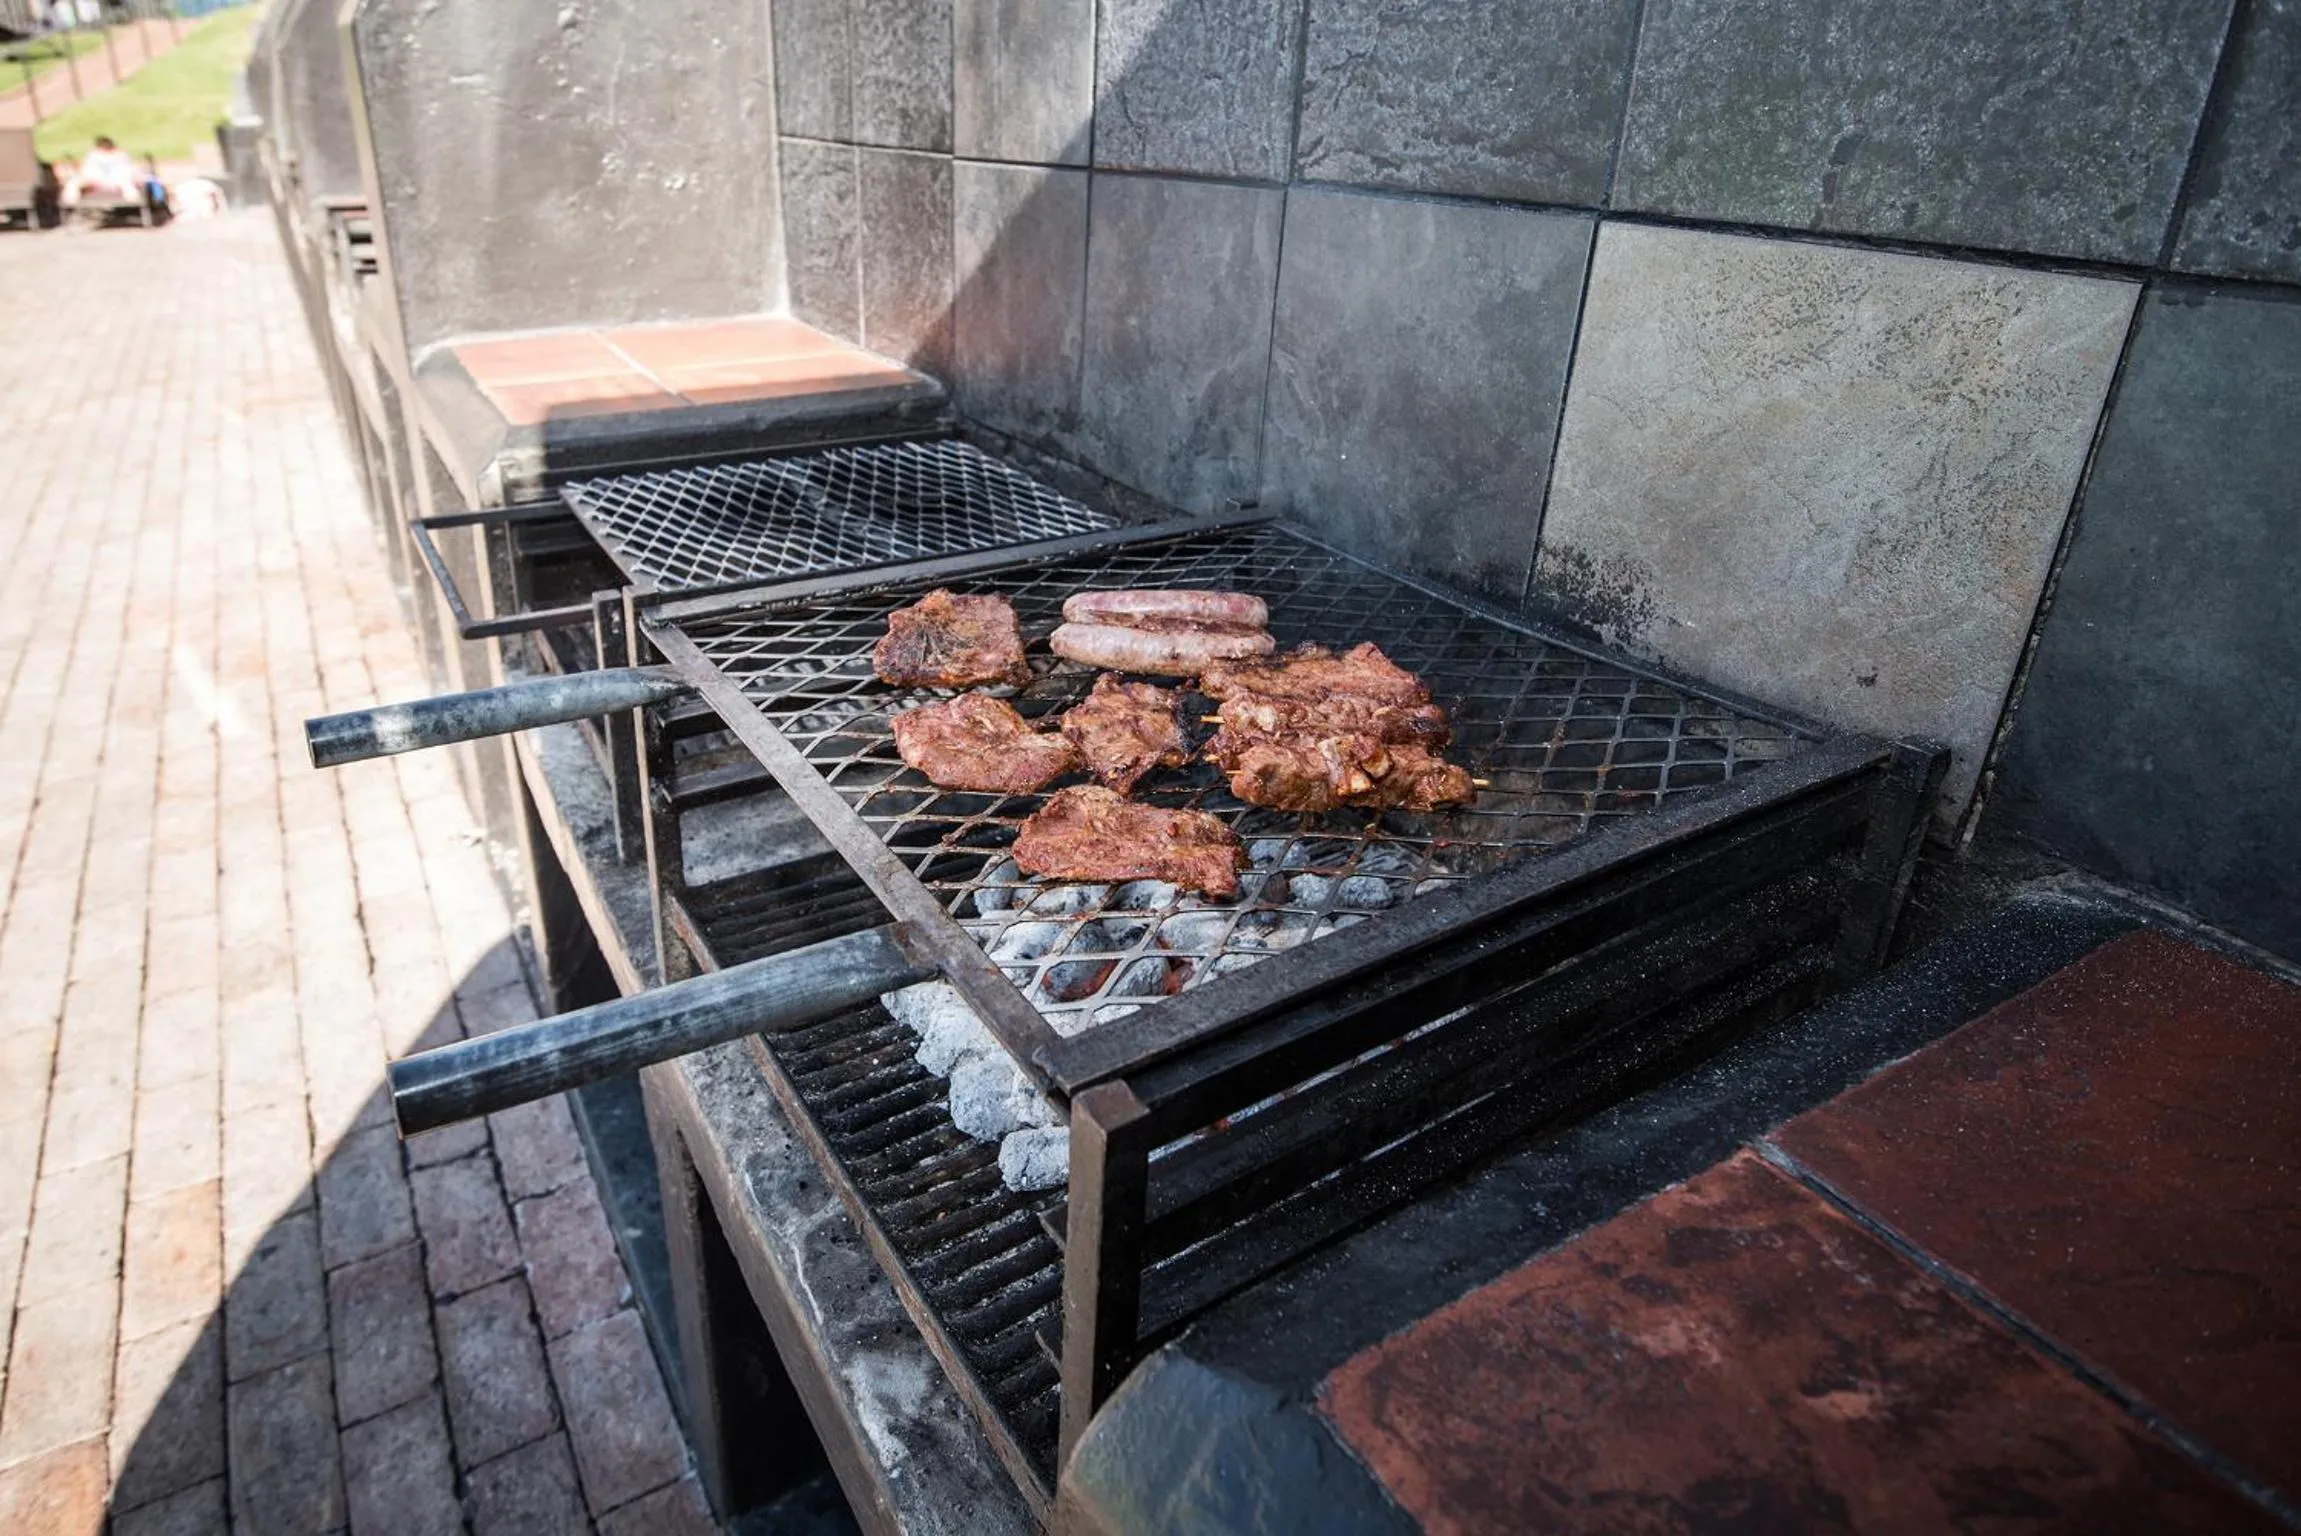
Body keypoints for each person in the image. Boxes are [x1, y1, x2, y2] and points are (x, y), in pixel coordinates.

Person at [64, 136, 139, 205]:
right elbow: (87, 171)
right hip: (95, 180)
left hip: (116, 181)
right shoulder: (93, 154)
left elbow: (127, 171)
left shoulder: (120, 154)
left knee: (127, 184)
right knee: (73, 183)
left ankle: (133, 203)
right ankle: (70, 205)